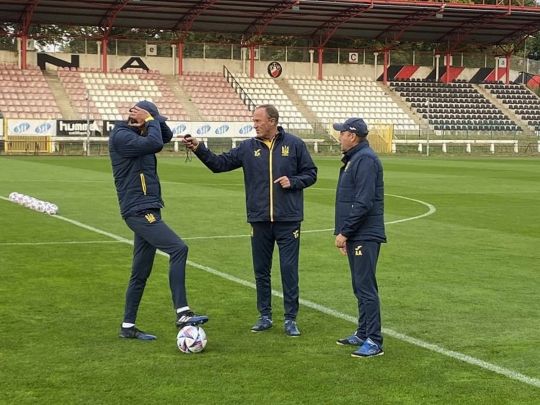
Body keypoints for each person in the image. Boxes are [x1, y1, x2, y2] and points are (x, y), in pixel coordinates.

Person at [183, 104, 317, 337]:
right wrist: (199, 148)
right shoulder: (247, 147)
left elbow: (311, 173)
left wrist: (294, 182)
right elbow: (219, 164)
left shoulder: (294, 144)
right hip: (259, 219)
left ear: (272, 121)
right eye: (253, 120)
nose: (254, 125)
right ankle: (265, 316)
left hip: (288, 220)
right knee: (261, 271)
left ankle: (290, 319)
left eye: (258, 120)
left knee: (289, 270)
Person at [109, 100, 208, 340]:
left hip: (148, 207)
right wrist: (148, 120)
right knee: (178, 248)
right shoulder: (121, 135)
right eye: (152, 120)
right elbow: (155, 143)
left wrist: (152, 120)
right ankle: (182, 312)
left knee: (140, 272)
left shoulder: (141, 133)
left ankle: (127, 327)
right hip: (138, 210)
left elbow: (165, 136)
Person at [333, 117, 386, 358]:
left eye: (342, 133)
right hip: (358, 233)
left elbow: (363, 201)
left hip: (365, 233)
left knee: (365, 287)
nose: (339, 137)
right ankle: (363, 332)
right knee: (359, 285)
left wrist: (345, 232)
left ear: (352, 136)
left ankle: (374, 340)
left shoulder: (365, 160)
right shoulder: (356, 158)